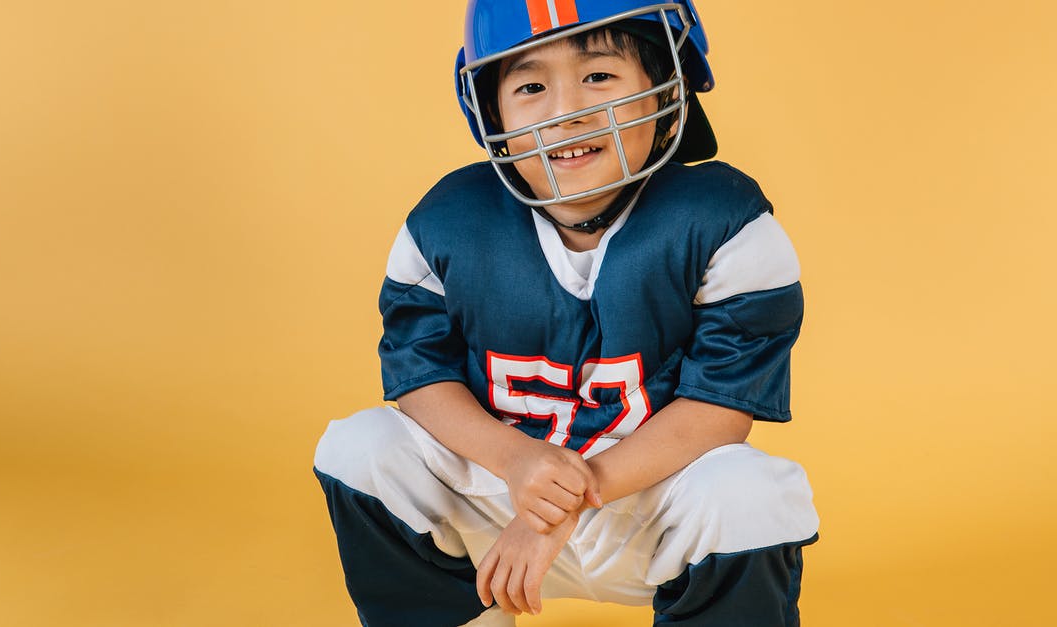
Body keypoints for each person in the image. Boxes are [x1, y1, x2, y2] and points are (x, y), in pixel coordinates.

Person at [313, 1, 820, 625]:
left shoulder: (725, 222)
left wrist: (565, 501)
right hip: (495, 501)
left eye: (599, 76)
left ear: (667, 83)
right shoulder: (448, 222)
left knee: (751, 493)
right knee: (358, 447)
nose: (566, 112)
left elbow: (720, 407)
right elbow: (421, 377)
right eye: (531, 85)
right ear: (490, 108)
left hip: (644, 506)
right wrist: (517, 464)